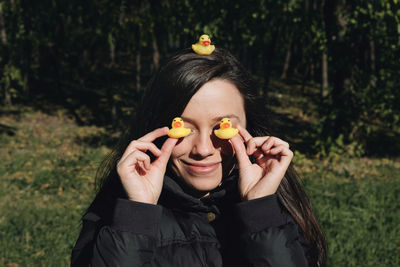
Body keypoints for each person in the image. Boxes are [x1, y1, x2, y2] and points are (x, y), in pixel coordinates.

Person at [71, 46, 326, 266]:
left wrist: (260, 211)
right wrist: (137, 213)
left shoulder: (278, 211)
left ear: (250, 126)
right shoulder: (117, 213)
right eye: (183, 128)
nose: (203, 149)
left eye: (223, 127)